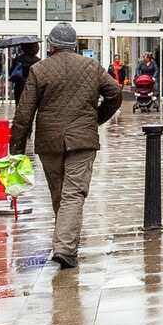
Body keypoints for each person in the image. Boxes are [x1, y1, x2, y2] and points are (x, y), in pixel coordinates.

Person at [10, 21, 123, 270]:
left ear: (51, 45)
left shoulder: (40, 70)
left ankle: (64, 245)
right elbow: (115, 92)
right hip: (82, 140)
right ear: (74, 45)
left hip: (48, 142)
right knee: (73, 194)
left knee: (60, 193)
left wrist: (16, 149)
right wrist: (97, 118)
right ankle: (65, 248)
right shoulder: (91, 66)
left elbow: (24, 113)